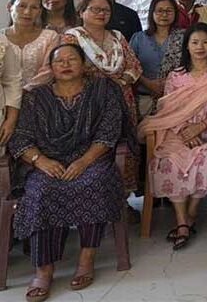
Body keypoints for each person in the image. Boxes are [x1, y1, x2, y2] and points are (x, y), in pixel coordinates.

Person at [10, 44, 124, 301]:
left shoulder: (103, 91)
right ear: (50, 67)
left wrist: (84, 162)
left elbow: (109, 133)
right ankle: (44, 270)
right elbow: (21, 138)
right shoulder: (35, 97)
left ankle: (86, 259)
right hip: (46, 163)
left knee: (95, 184)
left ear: (84, 64)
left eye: (72, 59)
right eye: (59, 60)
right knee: (40, 192)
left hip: (92, 160)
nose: (65, 64)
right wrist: (41, 161)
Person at [138, 23, 207, 250]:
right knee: (168, 162)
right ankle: (182, 222)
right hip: (178, 132)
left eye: (205, 42)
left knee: (204, 159)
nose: (200, 47)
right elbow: (169, 110)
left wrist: (200, 126)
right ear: (187, 47)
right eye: (194, 42)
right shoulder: (176, 77)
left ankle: (193, 211)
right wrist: (185, 132)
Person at [30, 0, 143, 197]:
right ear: (82, 12)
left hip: (123, 98)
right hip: (90, 101)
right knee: (94, 147)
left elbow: (134, 65)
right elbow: (72, 67)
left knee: (123, 148)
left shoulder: (117, 36)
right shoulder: (72, 37)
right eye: (95, 9)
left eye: (106, 10)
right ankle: (85, 196)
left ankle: (122, 201)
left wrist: (121, 81)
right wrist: (106, 84)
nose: (101, 14)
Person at [130, 0, 182, 117]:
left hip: (177, 99)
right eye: (159, 11)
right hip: (144, 100)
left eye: (169, 11)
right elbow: (129, 66)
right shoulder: (139, 38)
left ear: (175, 14)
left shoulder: (184, 38)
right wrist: (148, 83)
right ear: (151, 13)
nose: (164, 14)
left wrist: (170, 83)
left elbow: (192, 66)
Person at [3, 0, 59, 86]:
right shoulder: (1, 37)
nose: (27, 12)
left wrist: (25, 90)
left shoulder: (50, 37)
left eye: (34, 7)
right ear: (10, 7)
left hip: (39, 95)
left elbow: (48, 70)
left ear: (40, 11)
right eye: (22, 6)